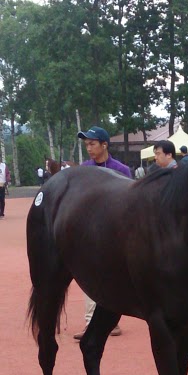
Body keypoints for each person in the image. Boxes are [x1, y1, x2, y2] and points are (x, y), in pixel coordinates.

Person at [73, 126, 132, 340]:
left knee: (115, 277)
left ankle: (112, 321)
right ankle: (91, 323)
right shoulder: (83, 170)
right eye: (86, 144)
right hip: (90, 234)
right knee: (90, 277)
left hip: (114, 234)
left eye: (92, 144)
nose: (88, 148)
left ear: (104, 145)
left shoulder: (122, 170)